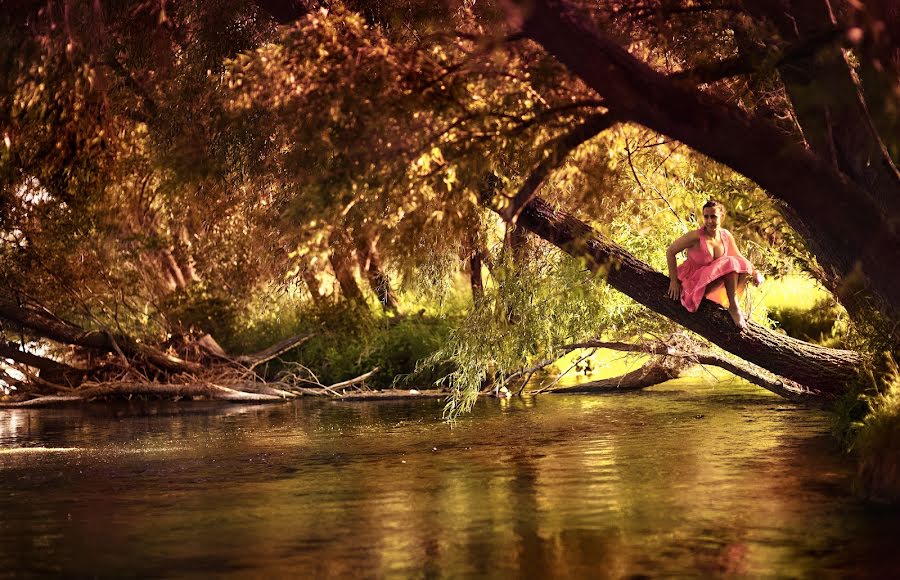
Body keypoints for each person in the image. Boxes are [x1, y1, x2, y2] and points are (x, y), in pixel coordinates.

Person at [666, 200, 764, 329]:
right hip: (692, 283)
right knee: (730, 262)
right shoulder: (695, 237)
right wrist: (673, 281)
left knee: (739, 265)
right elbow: (670, 252)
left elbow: (739, 258)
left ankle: (733, 304)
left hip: (709, 282)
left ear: (722, 217)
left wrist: (756, 273)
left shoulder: (725, 235)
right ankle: (734, 307)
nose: (709, 221)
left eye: (713, 216)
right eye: (706, 216)